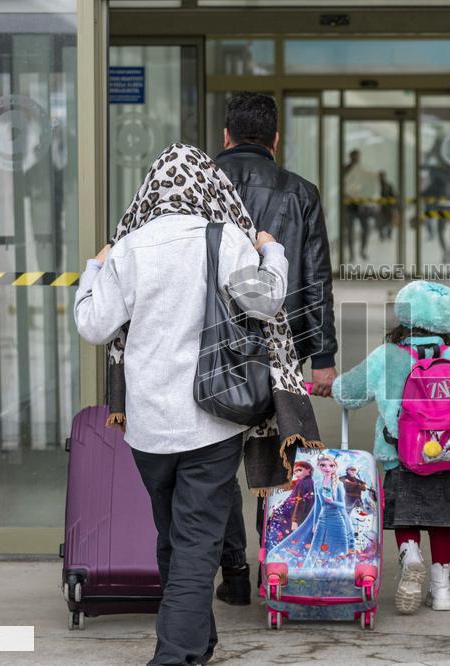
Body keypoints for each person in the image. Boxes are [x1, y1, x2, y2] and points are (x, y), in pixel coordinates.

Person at [74, 144, 289, 665]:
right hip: (212, 420)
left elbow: (93, 325)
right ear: (210, 187)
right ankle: (175, 655)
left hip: (148, 427)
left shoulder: (129, 249)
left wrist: (94, 267)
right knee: (194, 543)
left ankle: (197, 642)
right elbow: (267, 300)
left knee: (175, 537)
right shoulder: (224, 239)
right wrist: (272, 252)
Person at [212, 91, 339, 605]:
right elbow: (316, 277)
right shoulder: (300, 192)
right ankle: (275, 569)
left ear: (225, 137)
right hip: (278, 350)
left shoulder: (202, 186)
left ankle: (234, 574)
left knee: (214, 463)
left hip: (211, 348)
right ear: (276, 140)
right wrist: (323, 357)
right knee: (278, 458)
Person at [331, 281, 450, 615]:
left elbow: (348, 392)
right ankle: (442, 590)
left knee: (406, 518)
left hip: (401, 457)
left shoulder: (388, 355)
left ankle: (410, 556)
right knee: (440, 523)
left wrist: (329, 385)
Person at [267, 453, 356, 572]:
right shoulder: (318, 484)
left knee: (340, 546)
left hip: (337, 519)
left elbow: (342, 505)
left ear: (335, 467)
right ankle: (309, 572)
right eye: (323, 465)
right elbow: (318, 505)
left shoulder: (338, 484)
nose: (327, 468)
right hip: (322, 519)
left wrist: (332, 501)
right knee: (315, 547)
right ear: (319, 467)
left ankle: (341, 572)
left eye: (331, 466)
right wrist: (314, 523)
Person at [342, 149, 377, 262]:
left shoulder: (363, 170)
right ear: (351, 157)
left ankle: (362, 250)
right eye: (354, 157)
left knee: (366, 229)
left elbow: (369, 184)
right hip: (350, 205)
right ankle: (351, 254)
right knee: (350, 231)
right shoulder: (346, 170)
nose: (356, 159)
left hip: (362, 205)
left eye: (357, 157)